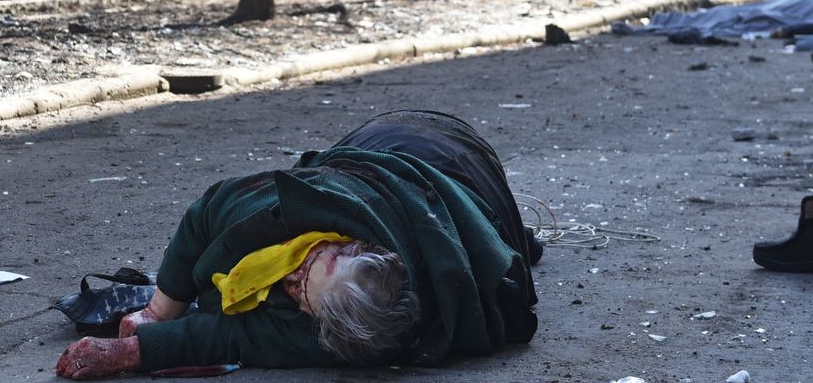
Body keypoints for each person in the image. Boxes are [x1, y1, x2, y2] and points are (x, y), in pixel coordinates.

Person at [53, 110, 540, 379]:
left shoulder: (348, 336)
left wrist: (132, 353)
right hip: (405, 144)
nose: (290, 276)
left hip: (472, 175)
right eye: (313, 263)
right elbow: (204, 216)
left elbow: (235, 338)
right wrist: (159, 312)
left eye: (303, 291)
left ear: (323, 330)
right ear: (350, 245)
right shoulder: (296, 207)